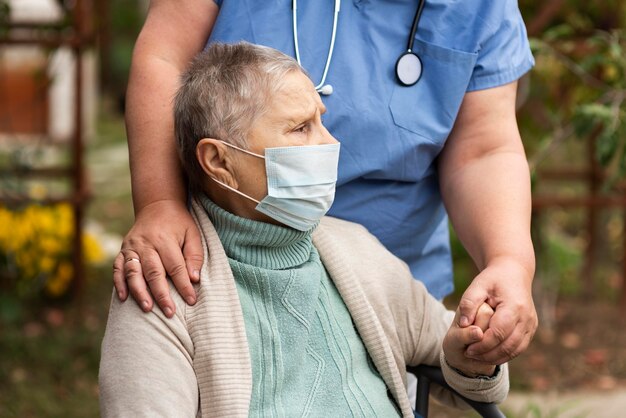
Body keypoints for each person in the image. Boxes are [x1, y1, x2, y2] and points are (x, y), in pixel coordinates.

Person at [114, 0, 537, 367]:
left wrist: (509, 260)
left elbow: (484, 148)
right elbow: (163, 58)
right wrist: (159, 204)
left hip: (389, 295)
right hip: (221, 275)